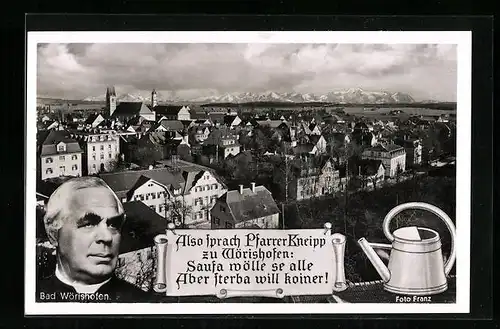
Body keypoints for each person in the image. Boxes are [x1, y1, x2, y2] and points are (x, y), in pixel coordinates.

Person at [36, 176, 151, 303]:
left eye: (113, 225)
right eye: (88, 224)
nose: (107, 237)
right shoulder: (29, 300)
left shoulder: (142, 303)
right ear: (53, 234)